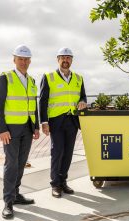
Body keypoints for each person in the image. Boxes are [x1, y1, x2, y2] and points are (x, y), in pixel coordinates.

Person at [0, 45, 40, 219]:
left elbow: (33, 105)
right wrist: (2, 129)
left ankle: (16, 194)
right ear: (14, 60)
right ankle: (8, 202)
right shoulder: (5, 78)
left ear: (30, 61)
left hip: (27, 128)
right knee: (11, 164)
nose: (24, 62)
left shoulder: (32, 81)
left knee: (21, 163)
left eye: (26, 59)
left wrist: (35, 126)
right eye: (20, 59)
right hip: (10, 130)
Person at [39, 47, 87, 198]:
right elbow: (43, 101)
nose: (65, 61)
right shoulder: (49, 77)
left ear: (71, 60)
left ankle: (63, 181)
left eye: (68, 58)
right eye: (63, 58)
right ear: (58, 59)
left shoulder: (78, 78)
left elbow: (83, 97)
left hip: (72, 121)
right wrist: (44, 122)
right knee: (57, 152)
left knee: (68, 154)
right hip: (56, 121)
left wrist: (83, 102)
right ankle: (55, 184)